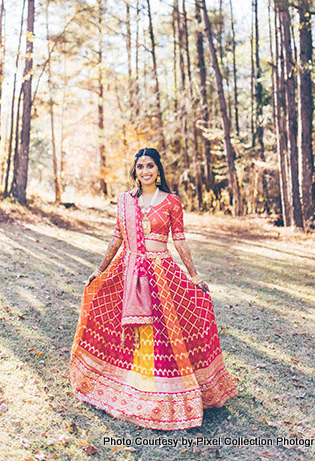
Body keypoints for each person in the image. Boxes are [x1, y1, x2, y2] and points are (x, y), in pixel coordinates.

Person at [70, 147, 237, 430]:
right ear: (134, 171)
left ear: (158, 170)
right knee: (133, 334)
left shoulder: (171, 201)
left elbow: (180, 241)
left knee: (163, 334)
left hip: (161, 274)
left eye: (150, 166)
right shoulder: (125, 201)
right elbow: (117, 238)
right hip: (129, 271)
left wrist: (194, 276)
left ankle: (163, 392)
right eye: (140, 167)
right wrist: (99, 270)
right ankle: (131, 386)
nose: (145, 171)